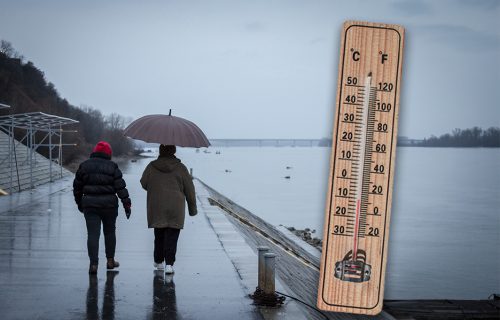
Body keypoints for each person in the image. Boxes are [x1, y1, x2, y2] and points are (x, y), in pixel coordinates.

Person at [73, 141, 132, 274]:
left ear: (94, 152)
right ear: (108, 154)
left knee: (93, 234)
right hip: (109, 206)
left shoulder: (84, 166)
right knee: (110, 232)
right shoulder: (113, 166)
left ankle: (93, 264)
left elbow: (77, 187)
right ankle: (110, 261)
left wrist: (79, 203)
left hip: (90, 205)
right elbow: (120, 187)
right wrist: (126, 205)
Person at [140, 144, 197, 274]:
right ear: (174, 151)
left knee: (159, 234)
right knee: (172, 236)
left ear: (160, 151)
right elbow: (190, 189)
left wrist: (156, 188)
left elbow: (144, 183)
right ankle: (169, 265)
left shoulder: (151, 166)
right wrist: (192, 209)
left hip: (157, 205)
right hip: (175, 207)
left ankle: (159, 261)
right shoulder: (181, 168)